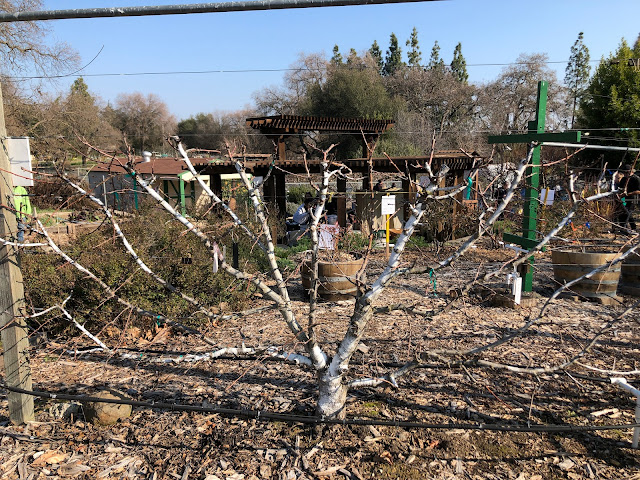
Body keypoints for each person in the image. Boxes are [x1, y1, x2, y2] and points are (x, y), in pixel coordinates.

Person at [615, 165, 640, 231]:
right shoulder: (623, 179)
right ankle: (622, 227)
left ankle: (633, 227)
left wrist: (628, 194)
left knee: (628, 212)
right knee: (622, 212)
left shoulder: (636, 178)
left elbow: (638, 191)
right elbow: (620, 188)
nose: (625, 174)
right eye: (624, 172)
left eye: (626, 172)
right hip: (623, 198)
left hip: (632, 198)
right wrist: (620, 194)